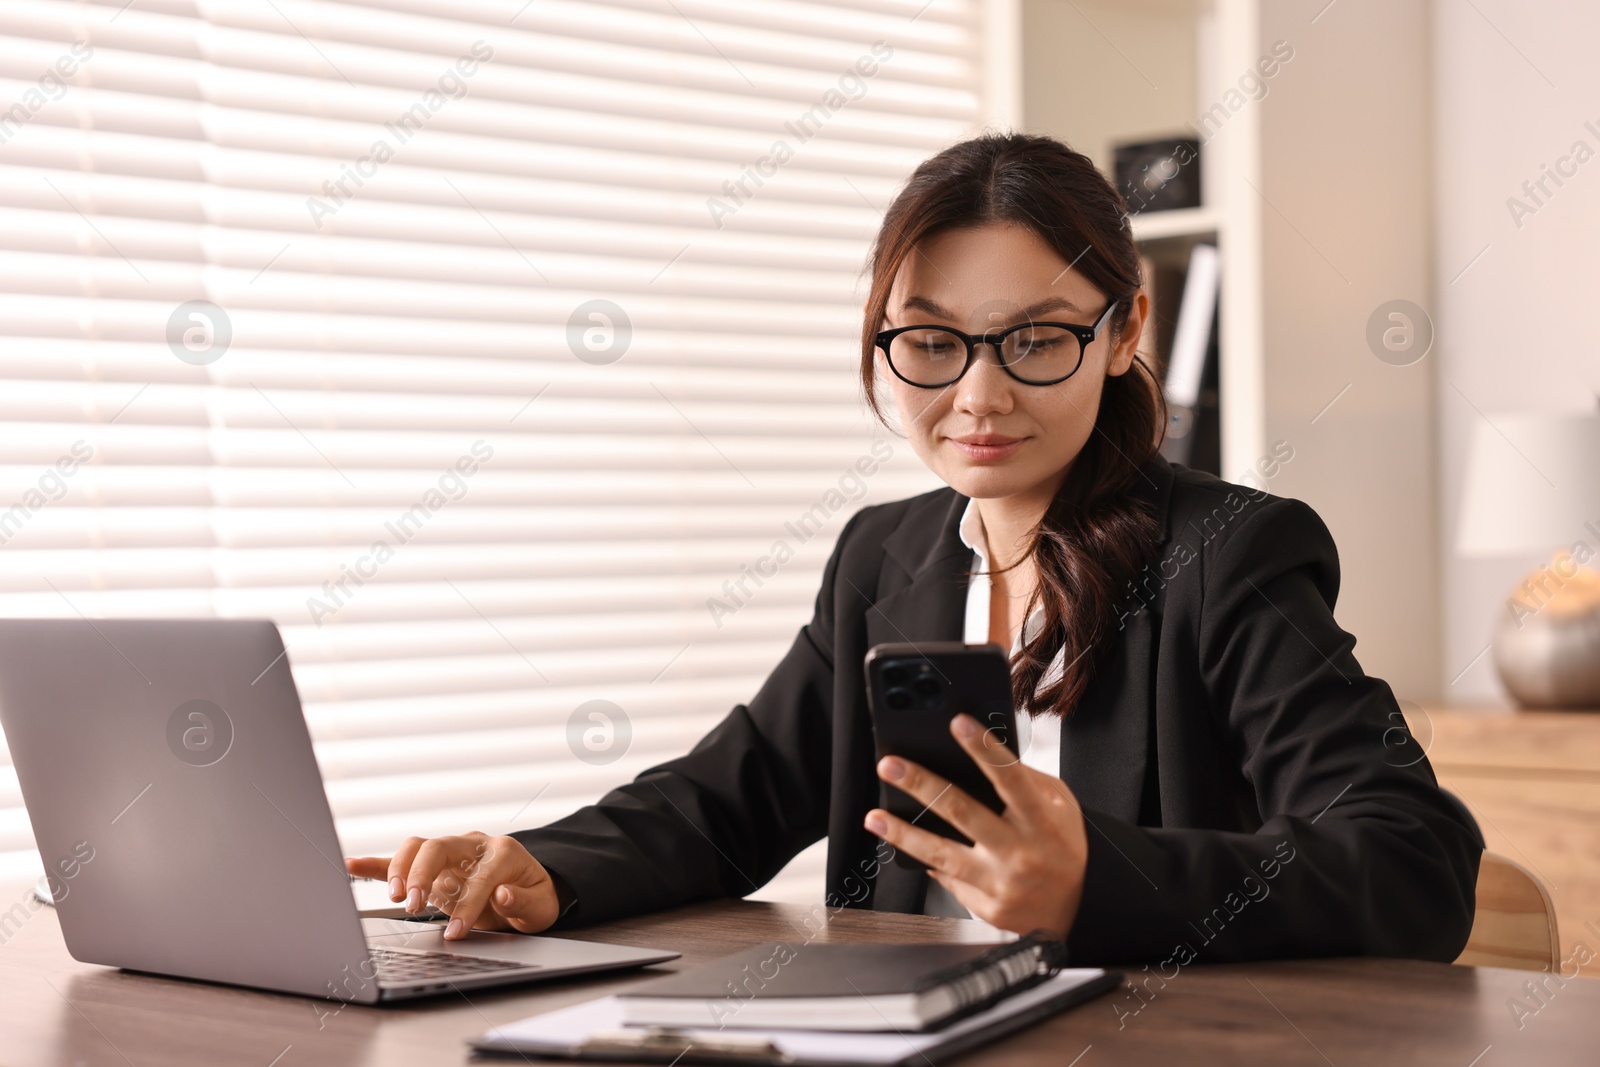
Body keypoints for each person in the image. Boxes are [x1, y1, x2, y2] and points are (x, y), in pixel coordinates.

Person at [346, 133, 1481, 964]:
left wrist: (1100, 877)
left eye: (1035, 338)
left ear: (1123, 329)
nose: (978, 394)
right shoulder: (883, 556)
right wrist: (548, 862)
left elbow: (1412, 855)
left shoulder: (1226, 551)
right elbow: (731, 798)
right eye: (931, 342)